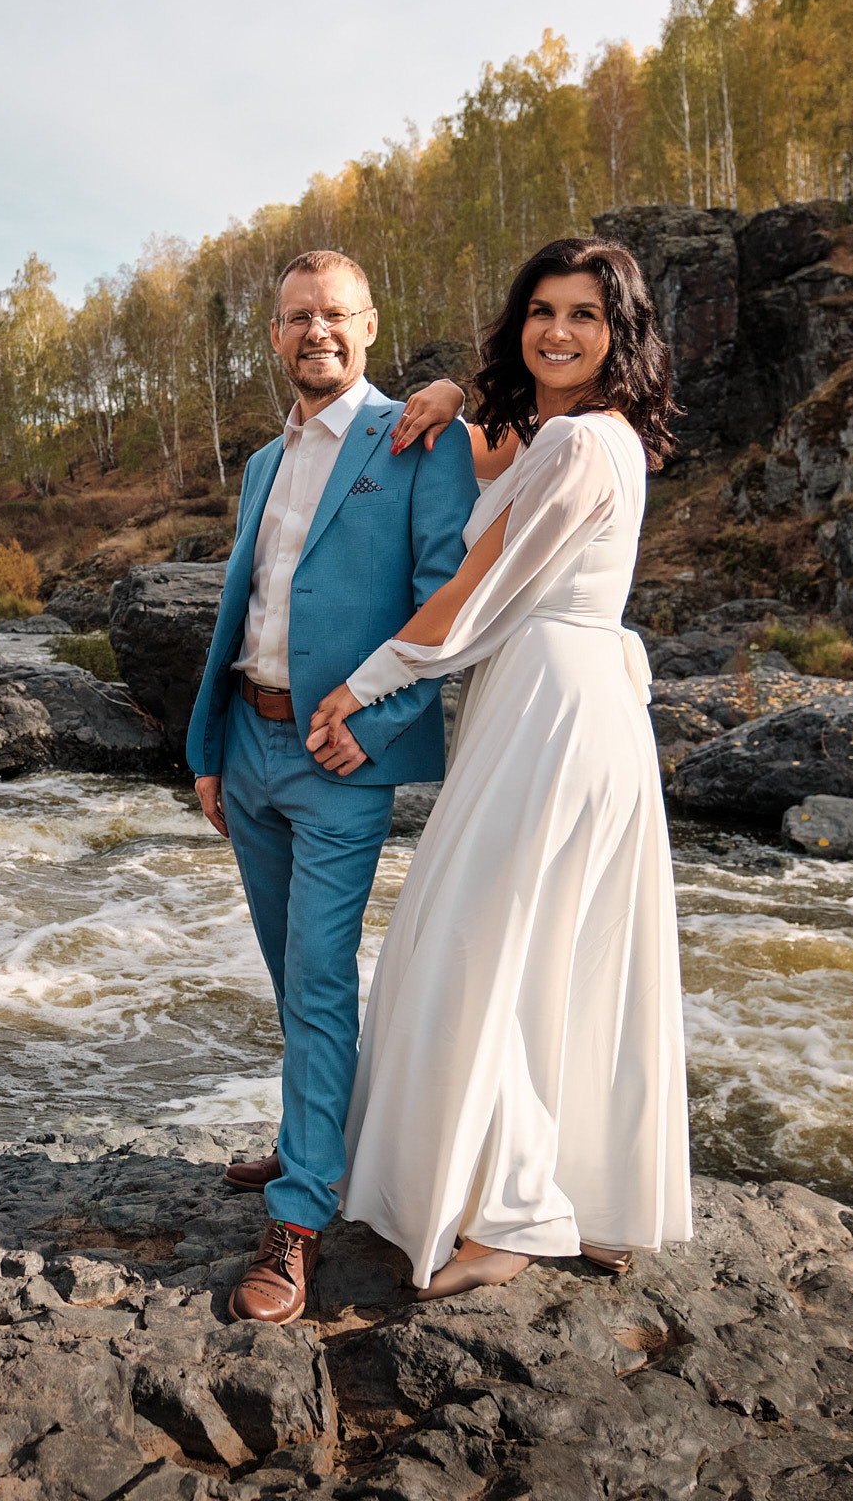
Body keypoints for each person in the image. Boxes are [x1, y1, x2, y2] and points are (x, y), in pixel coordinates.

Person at [306, 235, 692, 1299]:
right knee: (553, 953)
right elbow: (480, 455)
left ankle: (517, 1214)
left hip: (553, 711)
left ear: (620, 334)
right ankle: (579, 1193)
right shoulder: (578, 437)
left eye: (585, 316)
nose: (558, 332)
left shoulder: (581, 445)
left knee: (475, 945)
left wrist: (364, 685)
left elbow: (478, 588)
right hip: (567, 704)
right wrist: (438, 394)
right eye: (542, 311)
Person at [185, 249, 475, 1324]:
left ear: (370, 323)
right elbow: (247, 606)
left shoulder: (419, 440)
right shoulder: (265, 461)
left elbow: (448, 602)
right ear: (275, 335)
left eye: (337, 314)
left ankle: (300, 1220)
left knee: (316, 980)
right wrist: (208, 749)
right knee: (288, 970)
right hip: (247, 746)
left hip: (339, 756)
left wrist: (382, 724)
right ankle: (314, 1139)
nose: (318, 331)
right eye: (299, 316)